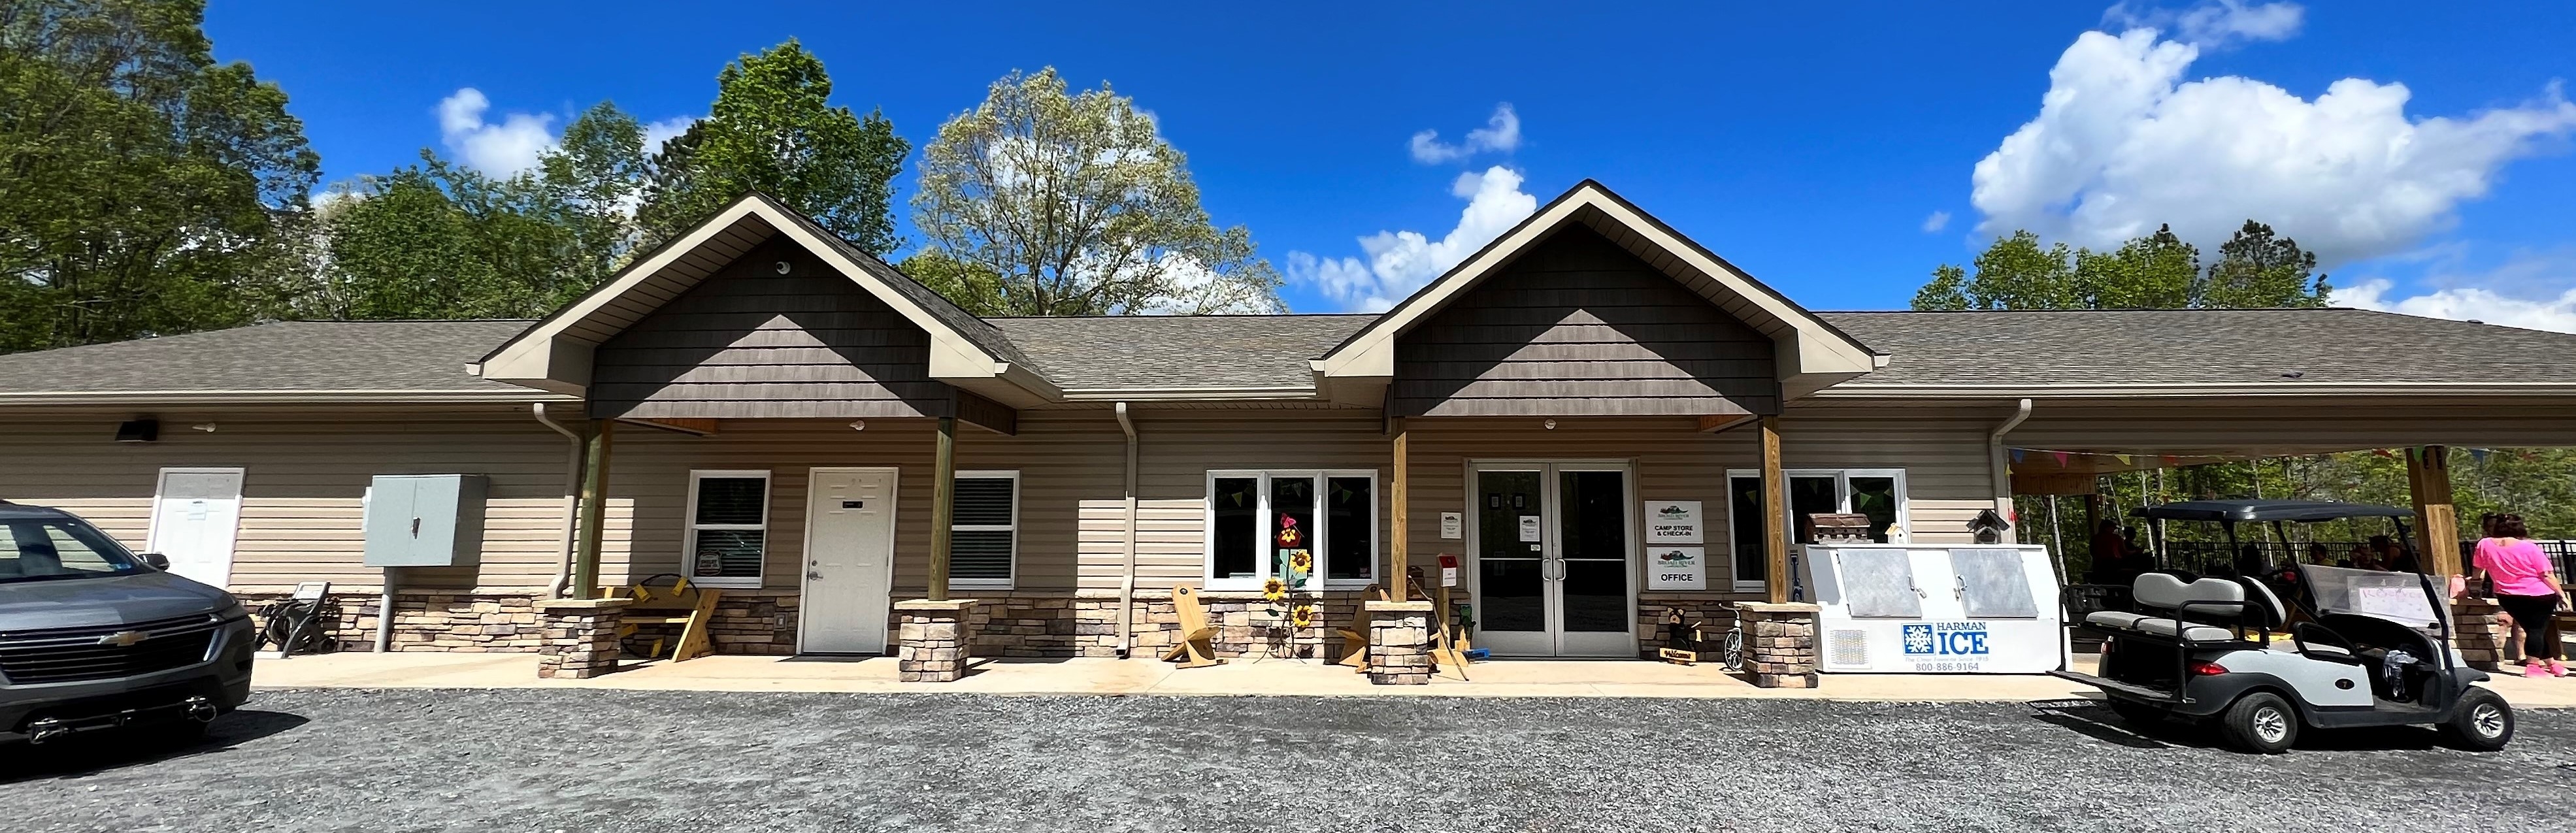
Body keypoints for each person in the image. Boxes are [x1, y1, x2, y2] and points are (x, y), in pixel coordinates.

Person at [2468, 513, 2569, 678]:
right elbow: (2546, 574)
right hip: (2539, 595)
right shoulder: (2530, 547)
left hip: (2507, 596)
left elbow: (2478, 568)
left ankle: (2551, 663)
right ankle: (2533, 666)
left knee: (2533, 629)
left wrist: (2474, 584)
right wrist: (2561, 594)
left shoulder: (2484, 544)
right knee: (2536, 630)